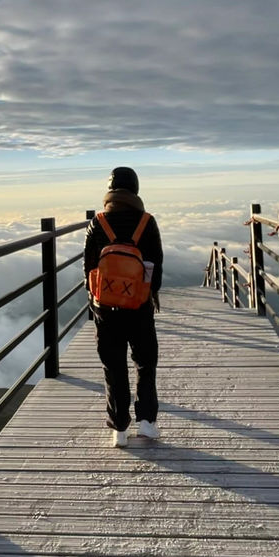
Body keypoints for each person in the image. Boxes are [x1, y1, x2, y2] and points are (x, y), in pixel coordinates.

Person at [84, 167, 163, 448]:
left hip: (105, 308)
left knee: (113, 366)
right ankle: (147, 424)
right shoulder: (147, 222)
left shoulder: (98, 222)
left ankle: (118, 429)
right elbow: (156, 267)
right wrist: (148, 294)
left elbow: (89, 268)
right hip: (139, 305)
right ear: (135, 189)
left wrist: (95, 303)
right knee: (145, 362)